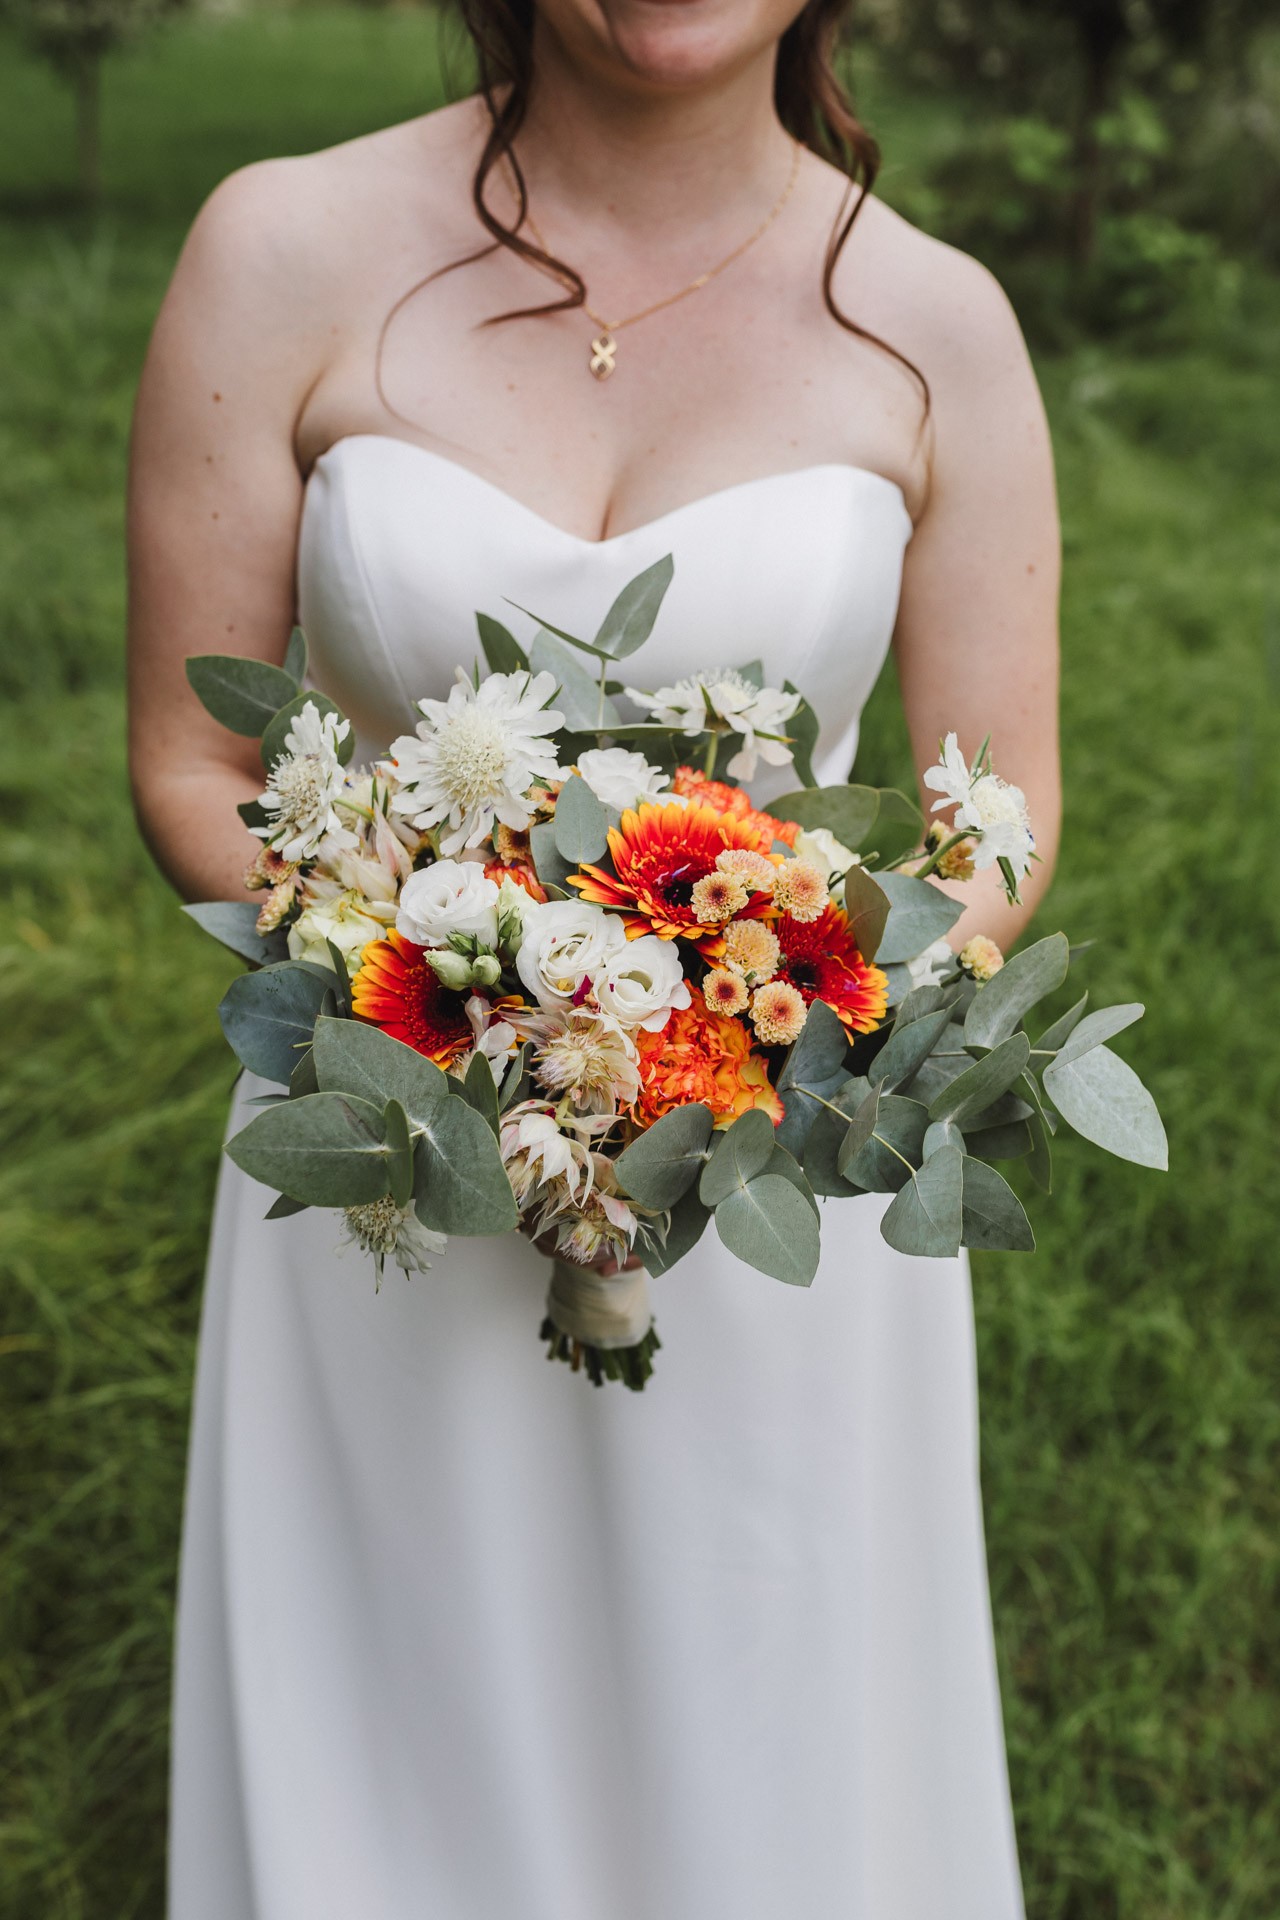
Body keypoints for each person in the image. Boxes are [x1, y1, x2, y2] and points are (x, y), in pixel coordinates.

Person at [128, 2, 1060, 1913]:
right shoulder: (280, 245)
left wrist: (748, 1050)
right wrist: (462, 1012)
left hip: (776, 1181)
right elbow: (197, 757)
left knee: (770, 1751)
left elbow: (997, 820)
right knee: (397, 1752)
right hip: (384, 1158)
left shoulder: (937, 320)